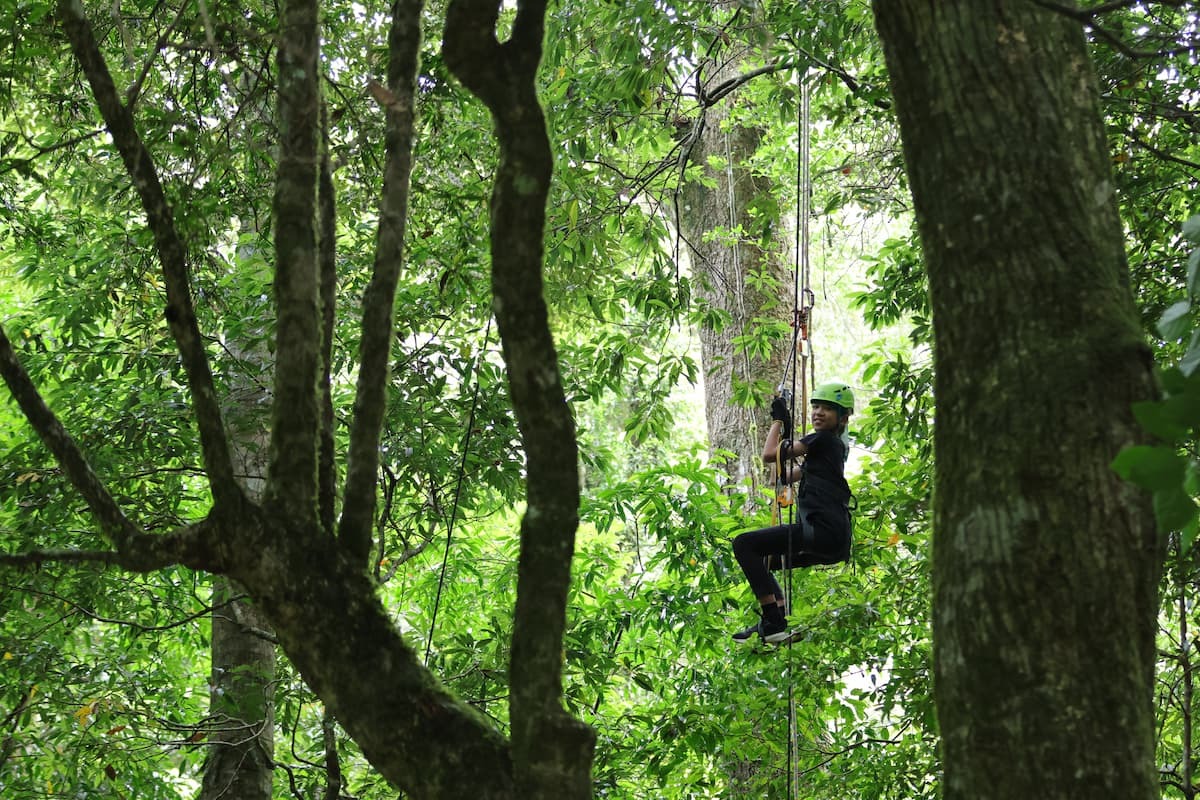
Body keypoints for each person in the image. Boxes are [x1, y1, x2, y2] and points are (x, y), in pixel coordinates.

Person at [730, 382, 854, 643]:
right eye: (816, 407)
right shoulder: (830, 449)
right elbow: (782, 476)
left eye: (828, 409)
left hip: (820, 530)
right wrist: (785, 431)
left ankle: (773, 620)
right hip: (832, 540)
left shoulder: (822, 439)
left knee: (743, 544)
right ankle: (777, 621)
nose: (819, 412)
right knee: (766, 560)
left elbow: (768, 455)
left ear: (842, 418)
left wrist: (776, 422)